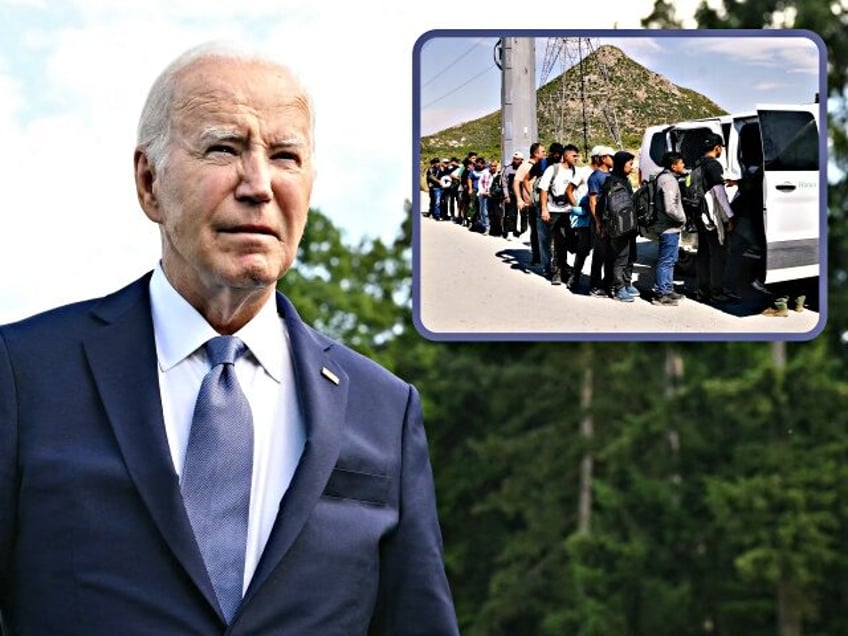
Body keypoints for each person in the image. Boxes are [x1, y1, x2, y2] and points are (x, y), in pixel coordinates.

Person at [0, 42, 459, 634]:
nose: (259, 184)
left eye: (286, 156)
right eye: (224, 147)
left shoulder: (383, 409)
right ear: (149, 183)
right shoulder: (24, 375)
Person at [689, 132, 736, 304]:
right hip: (712, 217)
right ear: (717, 148)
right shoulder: (714, 165)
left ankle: (703, 290)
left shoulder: (697, 164)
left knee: (703, 253)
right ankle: (717, 291)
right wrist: (730, 216)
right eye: (721, 148)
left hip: (699, 215)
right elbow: (719, 192)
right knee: (718, 253)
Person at [651, 151, 688, 306]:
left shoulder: (666, 178)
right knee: (666, 260)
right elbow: (670, 208)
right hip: (668, 227)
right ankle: (661, 294)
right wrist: (682, 218)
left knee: (671, 260)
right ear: (674, 165)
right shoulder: (668, 181)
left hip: (670, 227)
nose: (683, 165)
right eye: (681, 163)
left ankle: (667, 289)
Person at [585, 145, 616, 298]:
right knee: (599, 255)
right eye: (612, 157)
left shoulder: (611, 175)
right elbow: (593, 202)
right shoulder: (595, 177)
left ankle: (607, 283)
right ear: (604, 158)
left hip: (611, 222)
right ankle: (595, 286)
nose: (614, 160)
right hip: (600, 222)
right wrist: (598, 223)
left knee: (610, 254)